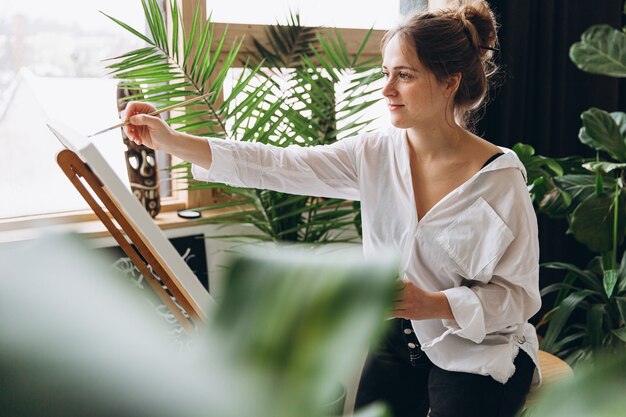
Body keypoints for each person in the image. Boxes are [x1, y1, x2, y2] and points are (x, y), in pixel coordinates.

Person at [123, 1, 540, 416]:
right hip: (399, 342)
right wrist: (171, 140)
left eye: (405, 76)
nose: (386, 89)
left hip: (477, 349)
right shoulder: (374, 153)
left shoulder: (499, 180)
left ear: (449, 82)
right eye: (385, 73)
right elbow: (279, 165)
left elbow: (518, 299)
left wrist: (435, 303)